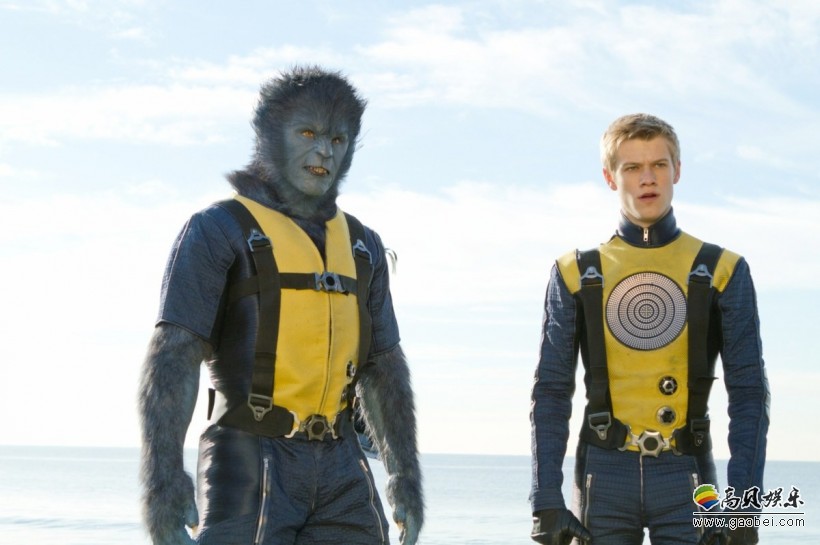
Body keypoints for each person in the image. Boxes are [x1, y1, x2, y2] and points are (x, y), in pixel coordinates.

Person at [138, 66, 423, 545]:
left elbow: (384, 367)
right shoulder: (217, 228)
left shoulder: (364, 246)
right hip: (247, 455)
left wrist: (404, 474)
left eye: (338, 139)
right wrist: (163, 480)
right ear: (269, 134)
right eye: (307, 133)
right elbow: (173, 357)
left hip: (342, 464)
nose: (324, 151)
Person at [529, 113, 769, 545]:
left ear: (677, 170)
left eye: (659, 164)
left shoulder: (724, 269)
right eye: (632, 167)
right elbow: (550, 390)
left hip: (688, 473)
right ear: (610, 177)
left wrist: (744, 508)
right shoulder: (574, 272)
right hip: (603, 474)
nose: (647, 178)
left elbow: (750, 391)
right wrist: (545, 498)